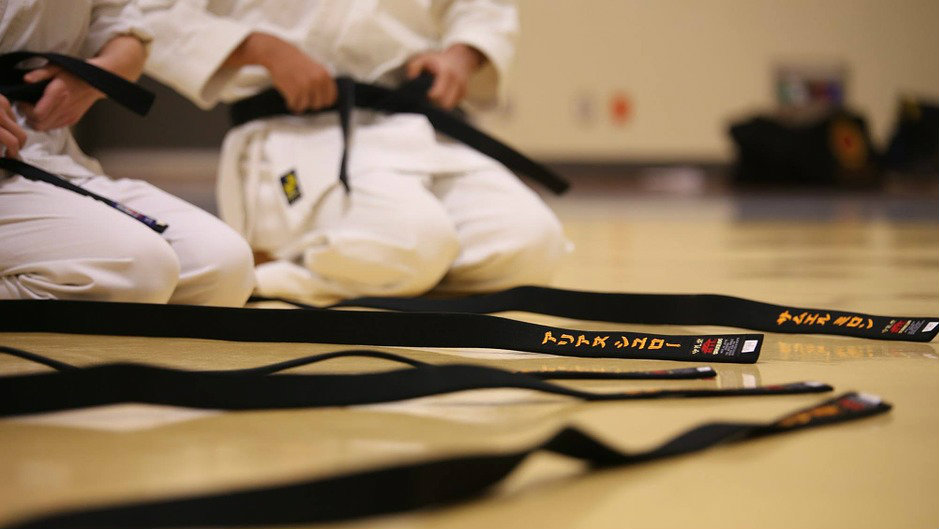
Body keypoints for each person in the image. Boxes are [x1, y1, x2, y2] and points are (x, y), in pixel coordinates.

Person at [140, 0, 567, 304]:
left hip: (409, 124)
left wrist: (461, 55)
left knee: (533, 243)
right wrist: (258, 47)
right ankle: (259, 276)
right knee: (416, 241)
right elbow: (145, 13)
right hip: (292, 130)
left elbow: (481, 8)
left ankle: (380, 273)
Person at [0, 0, 254, 306]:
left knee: (222, 265)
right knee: (139, 270)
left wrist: (93, 78)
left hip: (47, 154)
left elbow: (125, 29)